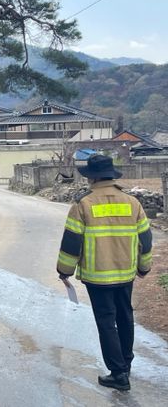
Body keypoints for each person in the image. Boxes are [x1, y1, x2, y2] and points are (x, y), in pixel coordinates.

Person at [56, 154, 152, 391]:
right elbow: (146, 239)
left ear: (92, 177)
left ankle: (118, 374)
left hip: (97, 277)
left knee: (106, 322)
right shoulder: (133, 203)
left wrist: (64, 271)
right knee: (125, 317)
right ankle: (126, 365)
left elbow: (71, 243)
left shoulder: (83, 204)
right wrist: (144, 267)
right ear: (111, 176)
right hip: (125, 274)